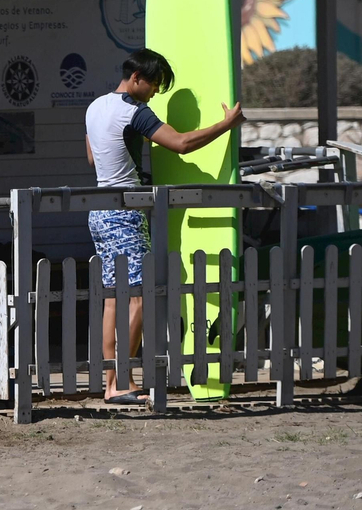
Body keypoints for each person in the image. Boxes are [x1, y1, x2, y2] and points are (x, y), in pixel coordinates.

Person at [84, 48, 243, 405]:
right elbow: (182, 144)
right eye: (154, 84)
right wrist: (227, 124)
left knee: (112, 299)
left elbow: (93, 156)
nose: (156, 92)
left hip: (98, 208)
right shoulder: (134, 112)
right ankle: (122, 383)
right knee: (137, 300)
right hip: (125, 211)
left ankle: (111, 384)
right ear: (137, 77)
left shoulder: (95, 107)